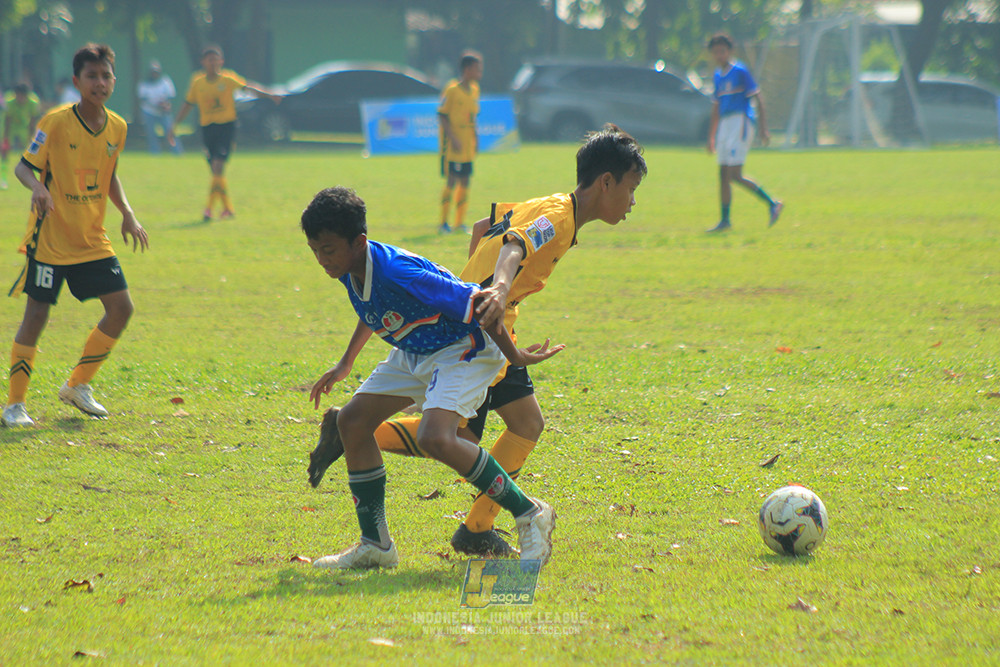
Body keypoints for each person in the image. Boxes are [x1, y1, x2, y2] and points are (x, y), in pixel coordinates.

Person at [308, 124, 646, 557]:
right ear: (606, 182)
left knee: (519, 425)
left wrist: (475, 284)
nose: (633, 201)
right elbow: (513, 245)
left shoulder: (552, 206)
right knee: (451, 438)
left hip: (475, 315)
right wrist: (496, 292)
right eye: (632, 188)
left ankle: (477, 526)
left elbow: (486, 226)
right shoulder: (559, 219)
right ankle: (515, 515)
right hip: (475, 325)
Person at [302, 186, 561, 570]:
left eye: (328, 250)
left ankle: (529, 512)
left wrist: (515, 356)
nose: (321, 260)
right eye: (314, 250)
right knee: (351, 422)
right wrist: (345, 363)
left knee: (437, 436)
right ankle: (376, 545)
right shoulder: (349, 266)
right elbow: (372, 305)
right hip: (416, 346)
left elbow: (479, 302)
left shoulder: (398, 271)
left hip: (463, 347)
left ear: (358, 242)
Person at [2, 43, 149, 428]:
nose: (99, 83)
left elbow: (108, 172)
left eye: (105, 76)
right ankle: (15, 405)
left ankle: (77, 385)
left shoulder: (118, 126)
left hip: (91, 237)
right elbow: (22, 167)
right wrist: (37, 187)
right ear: (76, 81)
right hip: (51, 238)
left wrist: (128, 214)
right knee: (36, 315)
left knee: (122, 309)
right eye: (91, 76)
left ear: (113, 80)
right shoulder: (55, 121)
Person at [169, 46, 280, 222]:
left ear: (221, 62)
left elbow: (248, 87)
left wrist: (269, 95)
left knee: (218, 166)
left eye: (216, 59)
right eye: (209, 59)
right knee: (216, 170)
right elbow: (188, 104)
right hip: (208, 129)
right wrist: (174, 125)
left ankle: (208, 209)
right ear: (203, 62)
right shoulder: (197, 82)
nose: (213, 63)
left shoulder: (228, 79)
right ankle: (227, 209)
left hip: (226, 127)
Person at [704, 33, 782, 233]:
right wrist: (711, 136)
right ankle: (725, 221)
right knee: (723, 174)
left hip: (740, 122)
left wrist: (763, 127)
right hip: (725, 125)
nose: (719, 55)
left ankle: (773, 204)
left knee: (734, 174)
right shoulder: (718, 75)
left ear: (729, 51)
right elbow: (716, 107)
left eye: (722, 51)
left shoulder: (739, 71)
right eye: (716, 52)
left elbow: (758, 97)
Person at [437, 51, 482, 234]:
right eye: (477, 68)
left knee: (465, 181)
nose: (480, 72)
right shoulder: (452, 89)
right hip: (453, 147)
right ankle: (443, 223)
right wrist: (453, 138)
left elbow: (472, 117)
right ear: (467, 69)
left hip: (466, 145)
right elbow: (442, 115)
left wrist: (475, 138)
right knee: (451, 182)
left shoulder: (474, 90)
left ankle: (459, 223)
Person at [2, 83, 41, 191]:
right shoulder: (10, 102)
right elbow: (7, 120)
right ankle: (3, 177)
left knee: (32, 153)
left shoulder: (33, 102)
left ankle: (34, 179)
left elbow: (33, 120)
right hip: (12, 126)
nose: (20, 98)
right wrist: (5, 138)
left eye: (22, 96)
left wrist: (31, 137)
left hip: (24, 126)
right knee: (4, 152)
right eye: (18, 96)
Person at [137, 61, 181, 155]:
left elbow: (170, 96)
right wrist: (156, 105)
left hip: (164, 112)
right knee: (151, 134)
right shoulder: (144, 84)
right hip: (149, 112)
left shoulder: (165, 82)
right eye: (153, 72)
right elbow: (143, 99)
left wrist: (166, 105)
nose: (155, 74)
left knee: (170, 133)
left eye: (156, 72)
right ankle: (155, 153)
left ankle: (177, 152)